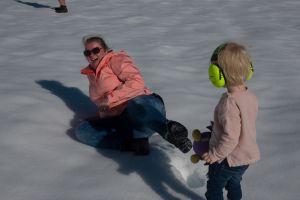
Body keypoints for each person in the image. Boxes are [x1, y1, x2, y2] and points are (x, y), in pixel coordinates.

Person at [75, 34, 192, 155]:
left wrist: (108, 99)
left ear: (104, 50)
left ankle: (169, 130)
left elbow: (137, 82)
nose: (91, 55)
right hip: (124, 121)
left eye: (95, 50)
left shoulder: (115, 60)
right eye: (87, 53)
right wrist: (98, 119)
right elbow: (105, 104)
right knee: (82, 130)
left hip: (146, 106)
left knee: (135, 105)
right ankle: (134, 144)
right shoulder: (92, 75)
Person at [202, 42, 260, 200]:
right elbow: (240, 126)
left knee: (214, 188)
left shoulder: (229, 103)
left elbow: (231, 137)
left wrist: (215, 154)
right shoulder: (250, 96)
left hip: (227, 159)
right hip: (245, 157)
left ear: (219, 74)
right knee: (234, 183)